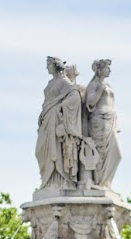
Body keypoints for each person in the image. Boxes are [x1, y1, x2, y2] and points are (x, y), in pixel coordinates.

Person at [35, 56, 83, 191]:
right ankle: (47, 181)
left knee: (56, 149)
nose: (47, 67)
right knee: (40, 151)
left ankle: (60, 181)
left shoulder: (64, 82)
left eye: (48, 64)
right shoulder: (51, 83)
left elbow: (75, 97)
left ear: (56, 65)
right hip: (46, 120)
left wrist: (61, 107)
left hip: (56, 120)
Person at [84, 59, 121, 189]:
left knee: (116, 153)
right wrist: (100, 89)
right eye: (107, 68)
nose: (110, 70)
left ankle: (106, 183)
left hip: (110, 120)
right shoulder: (94, 85)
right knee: (101, 153)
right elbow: (90, 102)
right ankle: (99, 183)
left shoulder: (108, 85)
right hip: (99, 120)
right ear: (100, 69)